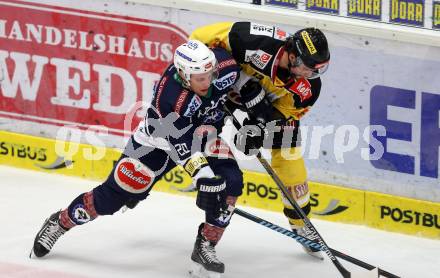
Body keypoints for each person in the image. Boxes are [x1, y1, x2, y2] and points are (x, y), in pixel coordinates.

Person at [31, 39, 244, 277]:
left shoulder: (224, 65)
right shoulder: (170, 98)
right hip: (158, 143)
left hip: (206, 135)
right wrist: (203, 176)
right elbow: (181, 144)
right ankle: (61, 222)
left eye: (210, 74)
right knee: (114, 196)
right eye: (200, 78)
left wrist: (254, 107)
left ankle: (206, 244)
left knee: (231, 182)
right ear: (184, 76)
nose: (208, 82)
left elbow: (244, 81)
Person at [190, 22, 331, 259]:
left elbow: (283, 116)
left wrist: (258, 126)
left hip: (265, 106)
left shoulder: (309, 88)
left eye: (319, 69)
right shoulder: (251, 39)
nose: (312, 75)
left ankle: (301, 222)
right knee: (193, 138)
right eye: (309, 68)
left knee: (290, 157)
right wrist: (238, 80)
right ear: (293, 56)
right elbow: (197, 40)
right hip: (221, 91)